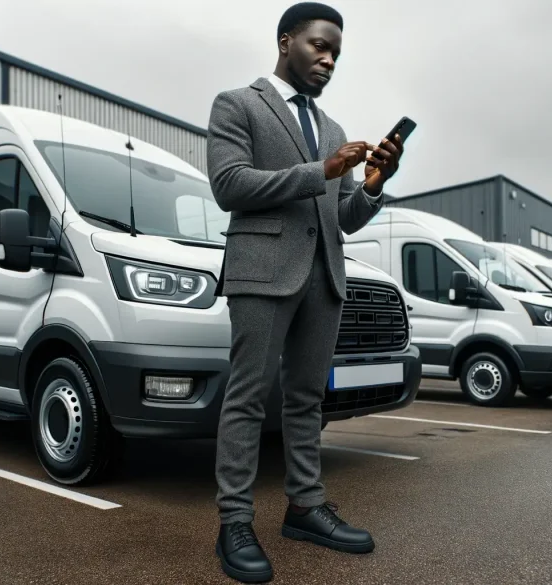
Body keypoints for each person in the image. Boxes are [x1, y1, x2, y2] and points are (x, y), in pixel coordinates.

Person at [205, 2, 405, 582]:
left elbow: (342, 217)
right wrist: (321, 169)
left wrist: (373, 184)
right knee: (246, 397)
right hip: (263, 270)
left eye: (336, 53)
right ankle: (234, 522)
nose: (328, 58)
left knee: (306, 402)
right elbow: (229, 184)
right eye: (319, 45)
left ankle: (306, 507)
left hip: (324, 276)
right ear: (286, 40)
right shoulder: (238, 104)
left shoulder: (334, 129)